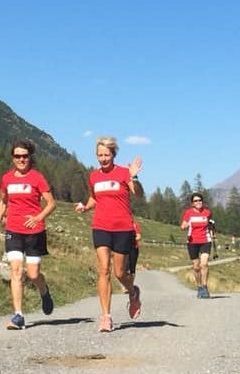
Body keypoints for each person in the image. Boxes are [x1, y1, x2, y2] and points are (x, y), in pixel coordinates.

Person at [75, 136, 143, 332]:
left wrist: (134, 177)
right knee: (103, 269)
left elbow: (138, 194)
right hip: (101, 226)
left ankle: (133, 292)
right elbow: (94, 198)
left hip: (123, 228)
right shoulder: (94, 176)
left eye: (106, 155)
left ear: (113, 154)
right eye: (99, 155)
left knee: (119, 273)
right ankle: (106, 317)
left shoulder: (124, 173)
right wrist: (84, 207)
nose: (103, 158)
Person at [0, 139, 57, 330]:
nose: (21, 159)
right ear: (13, 158)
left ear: (30, 157)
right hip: (13, 230)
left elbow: (51, 203)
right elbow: (4, 200)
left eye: (25, 156)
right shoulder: (7, 178)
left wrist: (38, 217)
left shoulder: (37, 178)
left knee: (33, 274)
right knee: (16, 271)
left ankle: (44, 291)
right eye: (17, 156)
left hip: (35, 232)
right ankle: (18, 315)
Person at [181, 193, 213, 298]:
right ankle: (199, 287)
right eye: (195, 201)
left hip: (205, 240)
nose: (198, 202)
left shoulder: (207, 212)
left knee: (204, 264)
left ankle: (205, 286)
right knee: (196, 267)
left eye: (199, 200)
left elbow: (210, 224)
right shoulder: (188, 213)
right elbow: (183, 225)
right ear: (192, 203)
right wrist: (184, 226)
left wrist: (212, 231)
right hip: (192, 241)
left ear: (202, 201)